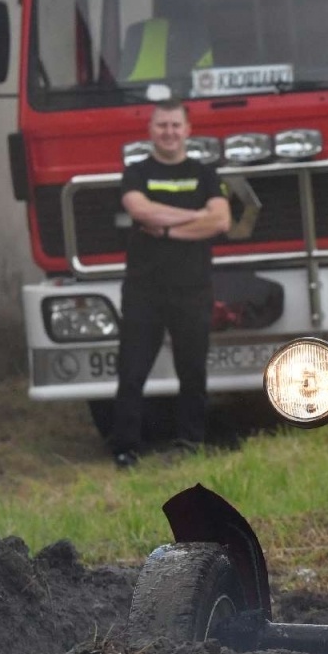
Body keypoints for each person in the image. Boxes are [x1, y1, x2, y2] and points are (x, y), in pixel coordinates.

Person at [110, 100, 232, 468]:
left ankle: (191, 442)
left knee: (192, 370)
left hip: (192, 288)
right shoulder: (136, 173)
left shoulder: (206, 174)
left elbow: (221, 222)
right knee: (132, 370)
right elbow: (140, 210)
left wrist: (165, 229)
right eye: (161, 125)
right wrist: (196, 216)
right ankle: (126, 448)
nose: (169, 132)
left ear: (187, 130)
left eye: (175, 125)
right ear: (150, 131)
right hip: (143, 290)